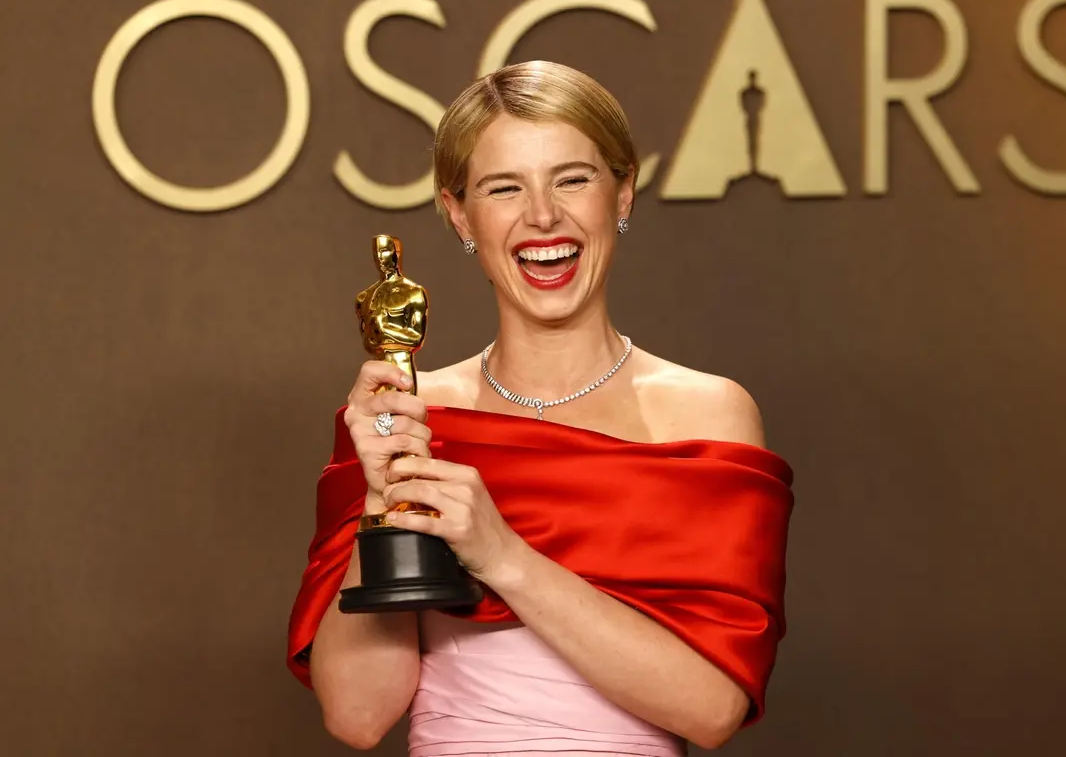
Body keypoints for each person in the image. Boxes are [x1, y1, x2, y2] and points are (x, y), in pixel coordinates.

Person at [286, 60, 795, 756]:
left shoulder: (705, 416)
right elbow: (358, 716)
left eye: (573, 178)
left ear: (623, 195)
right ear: (459, 214)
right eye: (504, 188)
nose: (543, 215)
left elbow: (711, 710)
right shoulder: (406, 417)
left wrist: (501, 554)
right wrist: (385, 496)